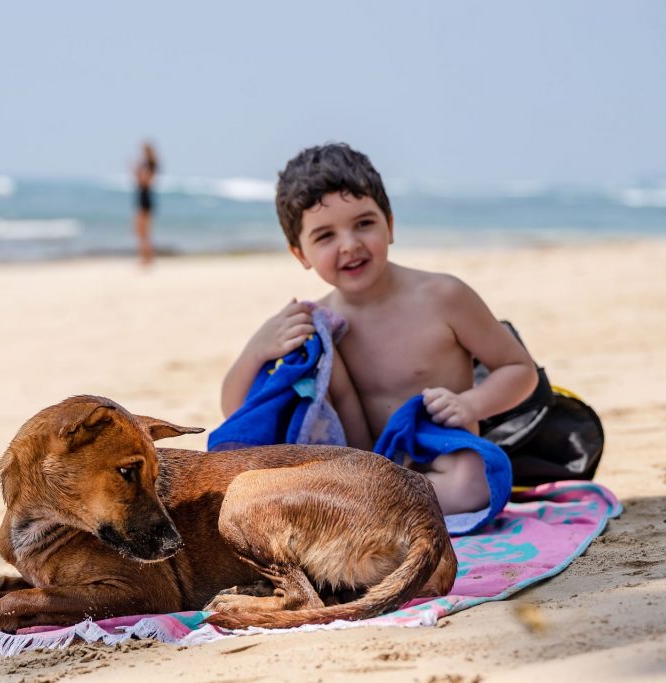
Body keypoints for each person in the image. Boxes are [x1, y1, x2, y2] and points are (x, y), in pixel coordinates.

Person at [220, 143, 538, 515]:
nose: (350, 245)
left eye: (364, 224)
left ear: (389, 224)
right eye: (325, 236)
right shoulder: (316, 323)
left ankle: (370, 509)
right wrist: (256, 350)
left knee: (476, 477)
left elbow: (520, 370)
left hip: (436, 457)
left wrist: (469, 404)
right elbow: (238, 410)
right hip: (358, 464)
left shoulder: (443, 297)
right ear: (300, 254)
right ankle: (372, 503)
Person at [133, 141, 159, 266]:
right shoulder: (146, 165)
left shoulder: (151, 165)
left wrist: (136, 171)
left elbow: (146, 182)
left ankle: (147, 257)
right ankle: (145, 256)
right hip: (142, 197)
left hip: (146, 198)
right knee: (140, 230)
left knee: (144, 230)